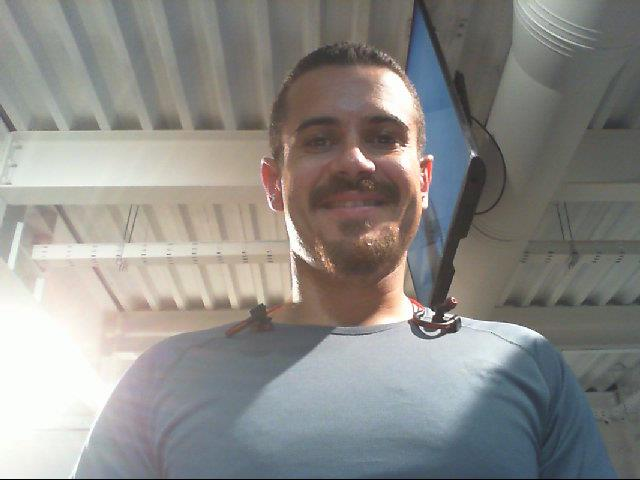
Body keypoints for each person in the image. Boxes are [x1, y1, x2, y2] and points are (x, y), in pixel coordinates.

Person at [73, 43, 615, 478]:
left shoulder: (526, 367)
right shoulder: (161, 380)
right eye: (318, 141)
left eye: (384, 138)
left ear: (425, 179)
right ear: (273, 183)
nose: (355, 161)